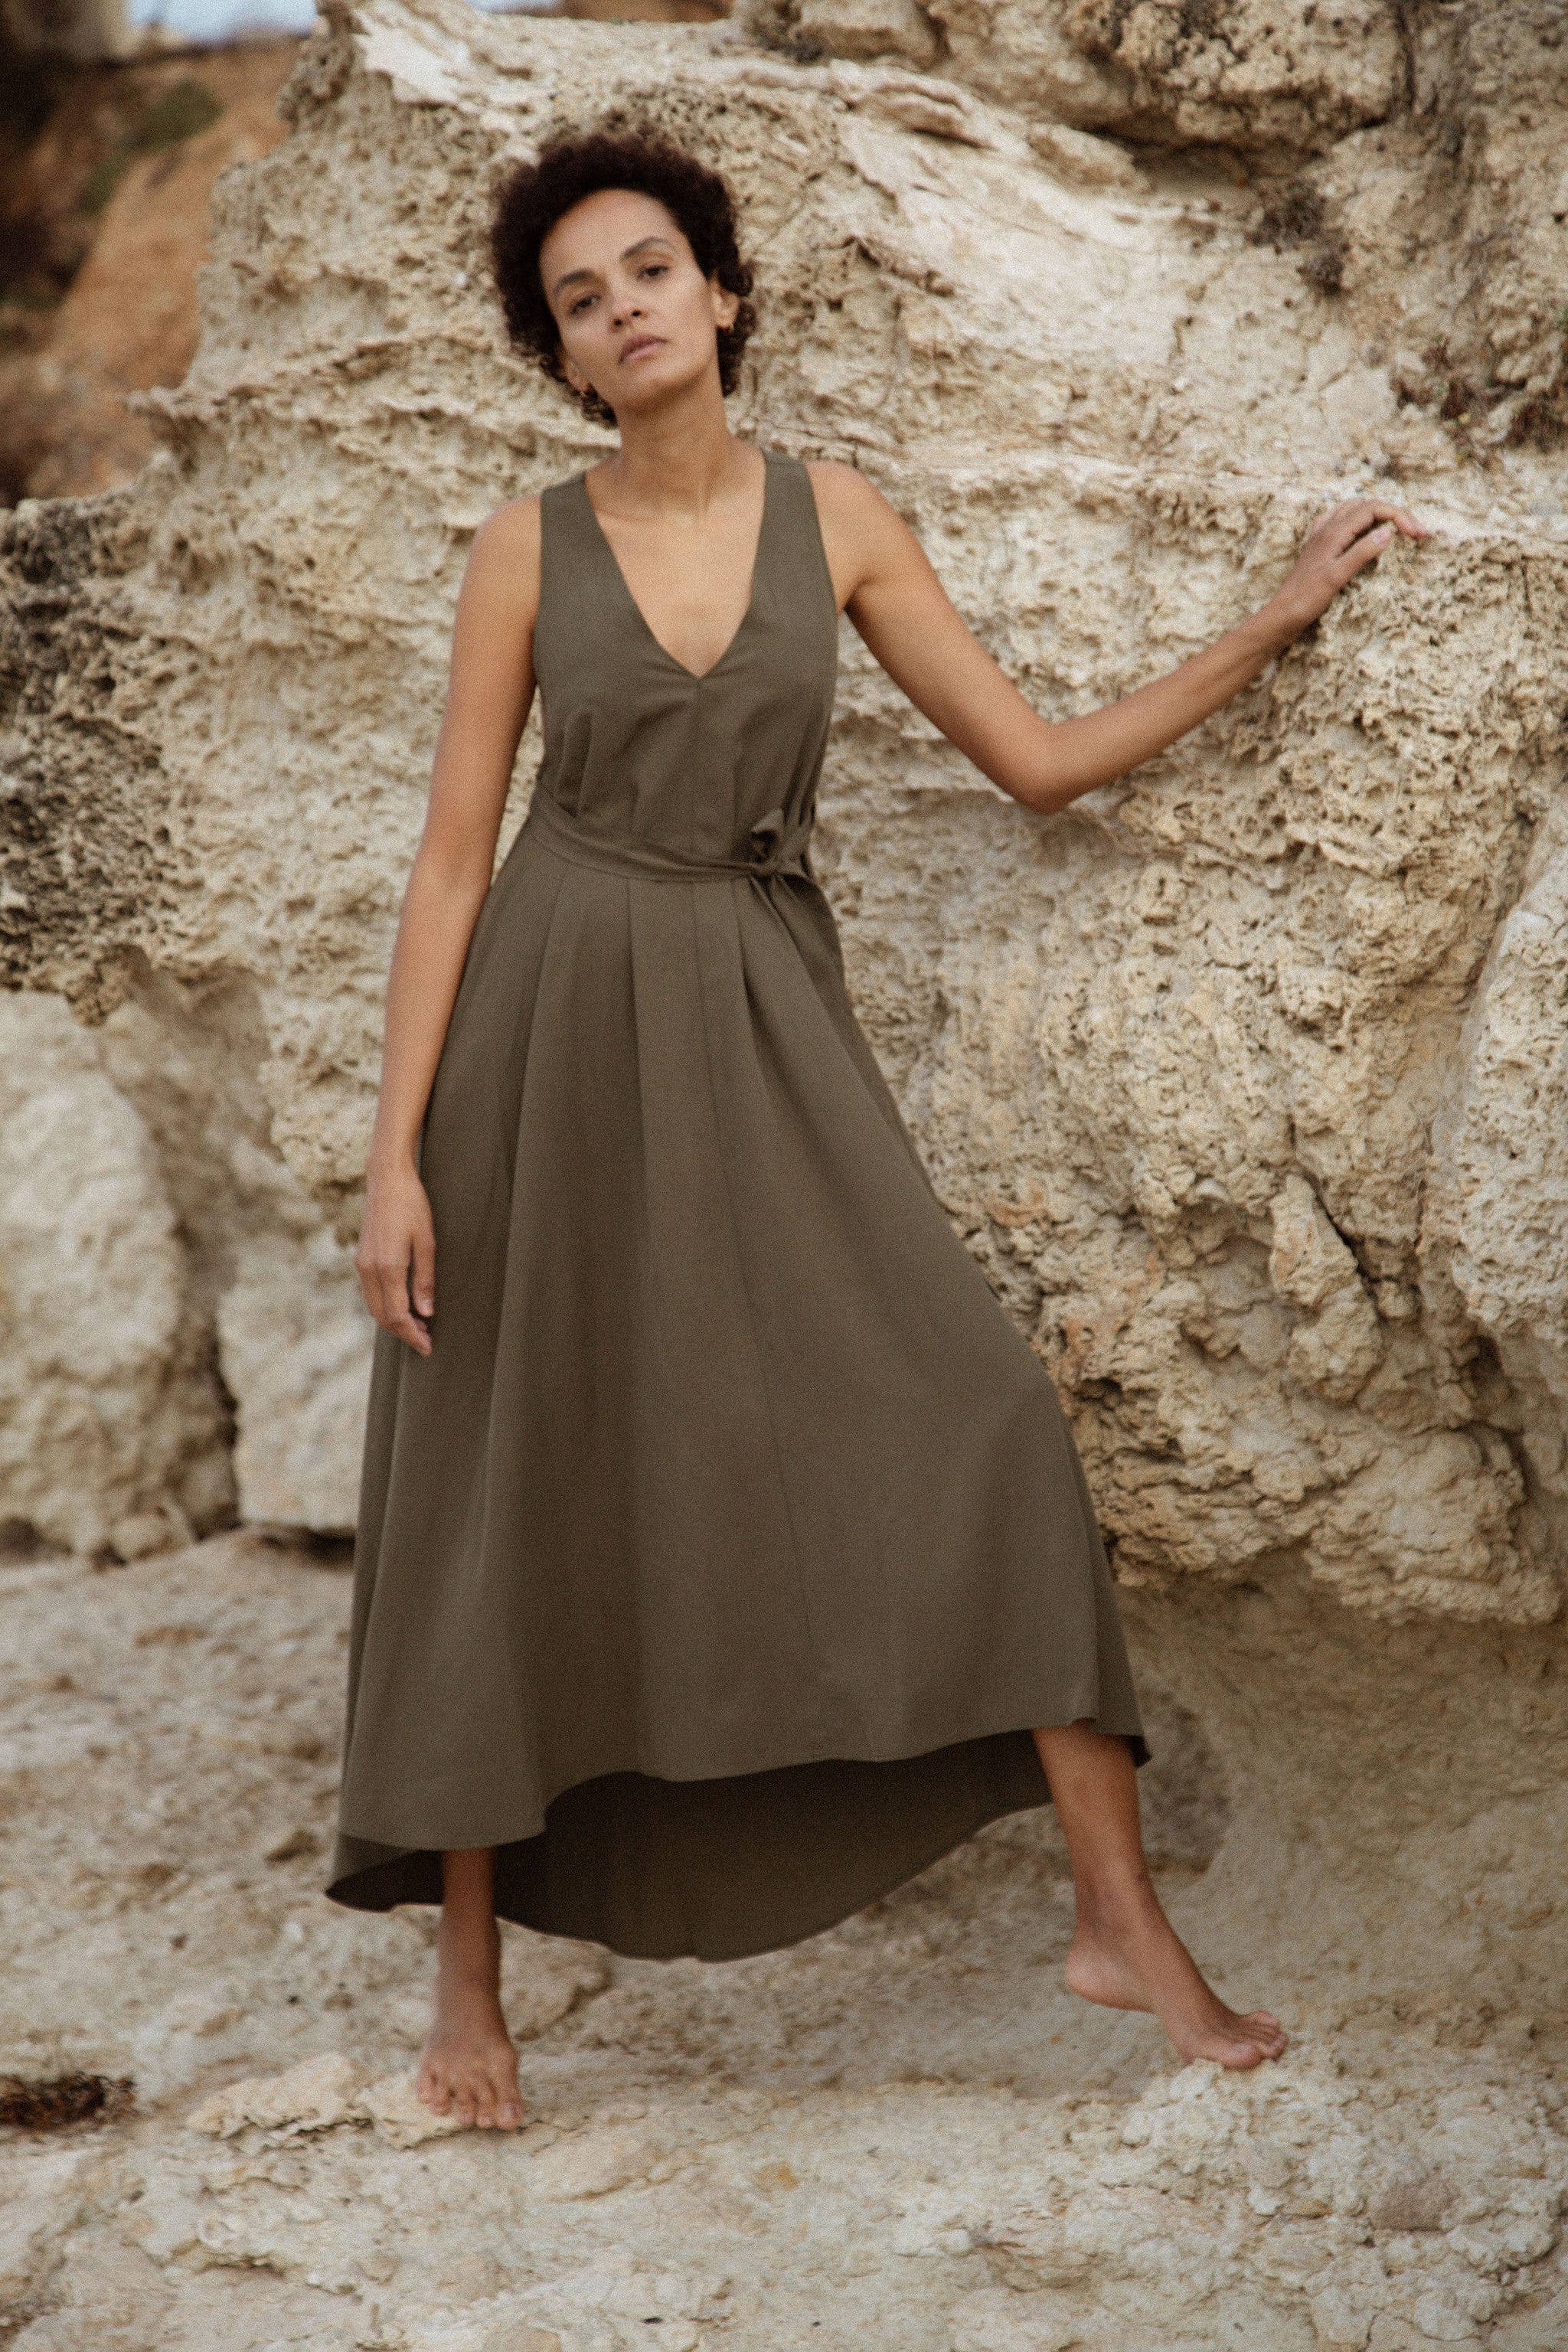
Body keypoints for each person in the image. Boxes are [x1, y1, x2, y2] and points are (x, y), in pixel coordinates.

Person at [326, 126, 1429, 2135]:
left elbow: (1033, 762)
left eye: (652, 268)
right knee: (513, 1463)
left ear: (725, 295)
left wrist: (1267, 632)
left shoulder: (838, 517)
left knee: (980, 1418)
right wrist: (393, 1158)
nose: (626, 308)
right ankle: (465, 1983)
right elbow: (450, 862)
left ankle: (1125, 1925)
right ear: (566, 361)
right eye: (582, 299)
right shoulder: (522, 547)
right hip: (546, 1035)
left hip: (756, 1017)